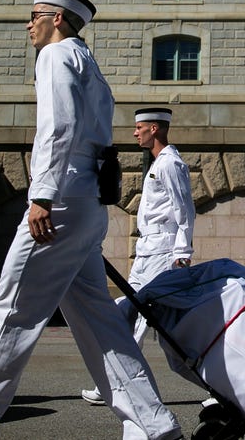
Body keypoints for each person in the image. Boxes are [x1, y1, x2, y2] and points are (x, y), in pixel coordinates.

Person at [0, 0, 183, 440]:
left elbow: (58, 126)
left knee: (9, 316)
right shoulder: (89, 63)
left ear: (58, 18)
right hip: (86, 203)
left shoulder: (55, 56)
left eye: (34, 15)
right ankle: (151, 425)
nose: (28, 24)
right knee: (98, 321)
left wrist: (42, 195)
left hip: (60, 202)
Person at [82, 107, 196, 405]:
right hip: (148, 251)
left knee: (137, 321)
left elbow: (184, 210)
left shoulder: (170, 164)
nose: (135, 132)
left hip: (162, 254)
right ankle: (112, 383)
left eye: (139, 127)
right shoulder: (159, 163)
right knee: (128, 318)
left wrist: (182, 253)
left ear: (154, 129)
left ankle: (114, 386)